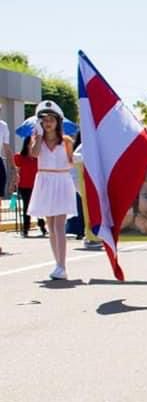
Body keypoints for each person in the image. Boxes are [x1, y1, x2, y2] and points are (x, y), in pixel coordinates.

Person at [27, 101, 77, 280]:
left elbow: (71, 162)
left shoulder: (66, 141)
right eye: (44, 120)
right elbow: (34, 154)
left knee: (59, 225)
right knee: (50, 225)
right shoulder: (36, 138)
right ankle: (58, 264)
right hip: (45, 181)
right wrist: (38, 136)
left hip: (61, 181)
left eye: (51, 119)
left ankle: (62, 265)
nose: (48, 123)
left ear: (58, 122)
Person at [14, 137, 46, 236]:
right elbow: (17, 170)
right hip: (24, 185)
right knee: (27, 207)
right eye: (31, 143)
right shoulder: (20, 157)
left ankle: (42, 226)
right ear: (27, 145)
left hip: (37, 185)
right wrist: (14, 182)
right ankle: (26, 228)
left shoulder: (38, 158)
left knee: (38, 206)